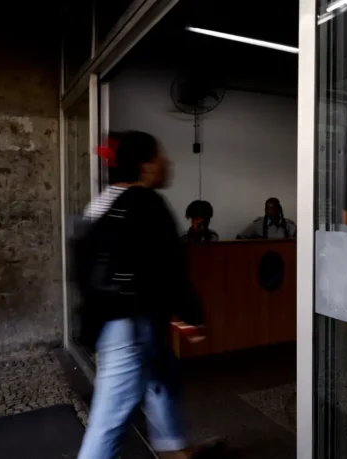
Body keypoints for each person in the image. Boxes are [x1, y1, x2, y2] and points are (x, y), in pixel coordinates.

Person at [73, 131, 215, 459]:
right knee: (110, 419)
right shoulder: (146, 202)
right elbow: (169, 266)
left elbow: (84, 269)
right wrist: (191, 315)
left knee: (163, 377)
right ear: (145, 165)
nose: (167, 163)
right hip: (131, 325)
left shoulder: (102, 204)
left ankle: (175, 448)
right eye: (161, 156)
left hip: (121, 321)